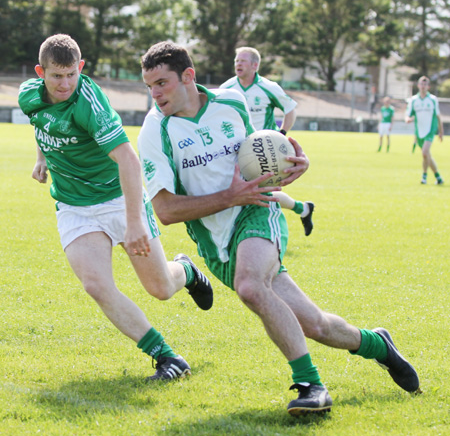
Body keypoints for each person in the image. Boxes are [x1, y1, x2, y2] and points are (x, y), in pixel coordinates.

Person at [137, 41, 420, 416]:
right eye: (149, 86)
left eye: (162, 83)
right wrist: (229, 196)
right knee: (315, 325)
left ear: (188, 76)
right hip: (216, 242)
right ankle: (376, 344)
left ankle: (310, 386)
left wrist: (291, 165)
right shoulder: (155, 131)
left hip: (257, 211)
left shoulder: (231, 104)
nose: (155, 94)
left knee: (251, 286)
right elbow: (166, 211)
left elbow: (261, 153)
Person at [18, 34, 214, 382]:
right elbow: (41, 123)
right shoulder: (29, 96)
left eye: (70, 75)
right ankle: (167, 357)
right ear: (40, 72)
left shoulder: (90, 105)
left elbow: (128, 159)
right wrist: (42, 158)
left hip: (119, 198)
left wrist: (134, 221)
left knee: (161, 288)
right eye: (56, 76)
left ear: (80, 68)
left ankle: (185, 271)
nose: (64, 84)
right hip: (74, 206)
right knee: (96, 284)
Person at [220, 47, 314, 237]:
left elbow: (290, 110)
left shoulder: (268, 87)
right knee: (246, 192)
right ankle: (302, 209)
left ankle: (257, 234)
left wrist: (282, 134)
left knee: (257, 193)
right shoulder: (226, 88)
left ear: (255, 65)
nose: (238, 64)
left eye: (243, 61)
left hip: (261, 153)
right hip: (233, 150)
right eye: (237, 60)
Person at [405, 76, 444, 185]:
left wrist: (441, 131)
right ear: (418, 86)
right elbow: (408, 114)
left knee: (424, 152)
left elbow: (438, 116)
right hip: (419, 132)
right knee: (427, 155)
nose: (423, 86)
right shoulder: (413, 100)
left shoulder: (432, 99)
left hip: (430, 130)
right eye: (421, 84)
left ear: (428, 86)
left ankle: (424, 177)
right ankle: (438, 177)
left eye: (425, 84)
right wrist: (407, 119)